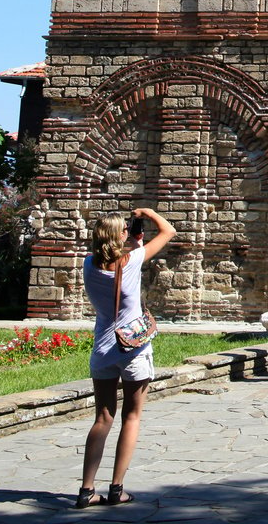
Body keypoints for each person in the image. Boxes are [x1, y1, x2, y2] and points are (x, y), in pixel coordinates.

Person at [76, 206, 176, 508]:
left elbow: (113, 256)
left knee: (102, 417)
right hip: (133, 349)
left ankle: (86, 489)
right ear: (120, 237)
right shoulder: (131, 261)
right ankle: (117, 488)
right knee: (130, 417)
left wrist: (129, 241)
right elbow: (169, 231)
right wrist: (148, 212)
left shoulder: (88, 264)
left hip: (103, 348)